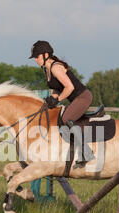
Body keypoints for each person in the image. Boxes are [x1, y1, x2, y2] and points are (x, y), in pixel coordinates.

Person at [29, 40, 95, 169]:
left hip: (83, 97)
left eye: (37, 56)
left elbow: (69, 88)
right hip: (76, 99)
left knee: (66, 119)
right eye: (35, 57)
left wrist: (57, 99)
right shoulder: (47, 70)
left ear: (46, 54)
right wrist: (50, 99)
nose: (35, 60)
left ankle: (86, 153)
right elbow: (57, 88)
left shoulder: (55, 67)